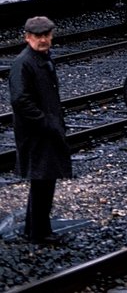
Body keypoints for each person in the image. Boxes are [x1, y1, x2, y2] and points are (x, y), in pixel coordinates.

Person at [8, 16, 72, 244]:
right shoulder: (24, 63)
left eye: (46, 35)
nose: (43, 39)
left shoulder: (42, 58)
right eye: (38, 36)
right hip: (36, 133)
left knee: (44, 181)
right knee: (42, 181)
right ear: (27, 37)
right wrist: (45, 121)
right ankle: (39, 233)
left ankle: (35, 229)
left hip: (44, 129)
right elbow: (20, 100)